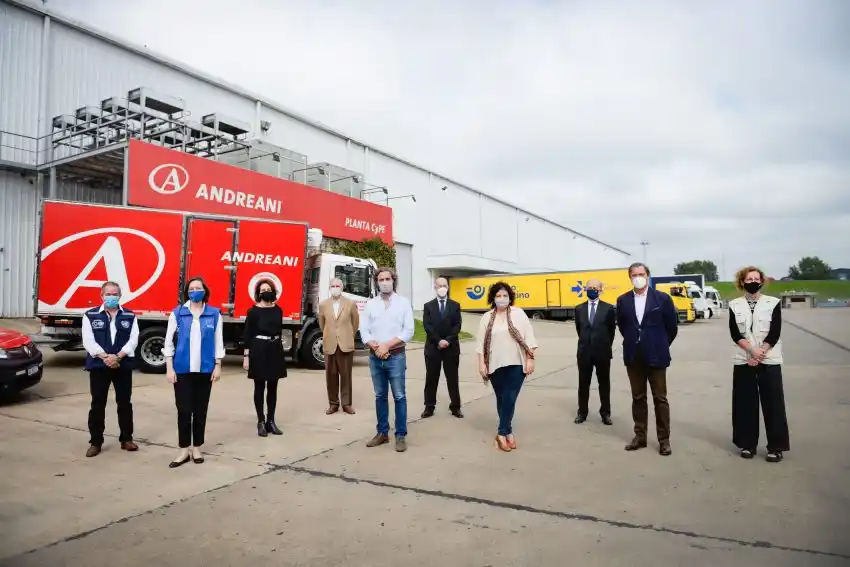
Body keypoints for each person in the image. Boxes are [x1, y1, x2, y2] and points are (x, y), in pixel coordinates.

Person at [728, 266, 790, 462]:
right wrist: (750, 351)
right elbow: (735, 333)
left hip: (769, 359)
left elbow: (775, 331)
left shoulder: (773, 303)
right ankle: (747, 444)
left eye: (757, 278)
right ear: (742, 282)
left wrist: (760, 352)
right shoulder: (734, 305)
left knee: (773, 404)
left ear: (762, 281)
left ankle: (776, 447)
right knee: (745, 404)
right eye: (749, 278)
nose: (753, 281)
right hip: (744, 360)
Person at [616, 262, 678, 456]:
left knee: (660, 398)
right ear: (630, 277)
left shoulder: (662, 299)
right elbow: (623, 327)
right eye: (634, 275)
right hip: (634, 356)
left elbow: (672, 327)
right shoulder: (623, 300)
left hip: (657, 356)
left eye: (641, 274)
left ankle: (664, 440)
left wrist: (659, 344)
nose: (638, 277)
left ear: (648, 275)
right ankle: (640, 436)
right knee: (638, 398)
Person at [163, 277, 225, 468]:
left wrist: (218, 365)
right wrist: (169, 367)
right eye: (192, 288)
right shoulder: (178, 313)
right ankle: (183, 450)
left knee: (200, 410)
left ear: (205, 291)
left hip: (205, 370)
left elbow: (218, 341)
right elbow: (168, 342)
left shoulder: (214, 314)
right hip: (182, 370)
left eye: (199, 288)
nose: (195, 291)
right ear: (187, 292)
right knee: (184, 410)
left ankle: (196, 447)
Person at [476, 281, 538, 452]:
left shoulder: (519, 314)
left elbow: (529, 338)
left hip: (516, 363)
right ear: (493, 298)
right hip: (494, 364)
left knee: (510, 397)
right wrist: (481, 364)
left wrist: (530, 359)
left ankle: (501, 433)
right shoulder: (487, 317)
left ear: (510, 297)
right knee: (502, 399)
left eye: (505, 295)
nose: (501, 298)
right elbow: (480, 344)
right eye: (498, 296)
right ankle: (509, 432)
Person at [80, 281, 140, 457]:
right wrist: (105, 357)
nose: (111, 297)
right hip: (99, 365)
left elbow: (134, 339)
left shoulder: (129, 315)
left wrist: (118, 356)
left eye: (114, 294)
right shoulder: (90, 315)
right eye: (108, 294)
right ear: (101, 295)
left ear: (120, 296)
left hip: (122, 365)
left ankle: (126, 439)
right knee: (98, 404)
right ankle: (95, 442)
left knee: (124, 403)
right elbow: (88, 341)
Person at [359, 267, 415, 452]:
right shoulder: (371, 304)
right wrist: (375, 346)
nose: (384, 282)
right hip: (376, 357)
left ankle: (400, 435)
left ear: (393, 280)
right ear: (377, 282)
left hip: (396, 356)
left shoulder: (403, 303)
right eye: (381, 279)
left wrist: (387, 345)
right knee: (380, 396)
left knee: (399, 396)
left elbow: (408, 331)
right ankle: (382, 433)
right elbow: (364, 329)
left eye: (387, 279)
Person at [242, 279, 286, 437]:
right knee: (259, 387)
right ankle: (260, 421)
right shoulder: (253, 311)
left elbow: (279, 331)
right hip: (258, 349)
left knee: (273, 387)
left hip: (274, 349)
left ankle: (271, 421)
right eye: (263, 289)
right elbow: (248, 334)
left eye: (268, 289)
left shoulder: (278, 310)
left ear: (273, 291)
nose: (266, 291)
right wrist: (246, 356)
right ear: (258, 293)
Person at [574, 278, 616, 425]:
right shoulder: (579, 308)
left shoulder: (608, 308)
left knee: (604, 384)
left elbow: (611, 330)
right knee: (583, 384)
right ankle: (582, 413)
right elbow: (579, 329)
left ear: (600, 290)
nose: (592, 289)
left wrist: (604, 345)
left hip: (602, 352)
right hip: (584, 352)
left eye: (595, 287)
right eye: (589, 287)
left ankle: (605, 413)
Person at [422, 277, 463, 419]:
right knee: (431, 378)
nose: (442, 287)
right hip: (433, 348)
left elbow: (457, 326)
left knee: (452, 379)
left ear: (448, 287)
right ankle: (429, 406)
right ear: (435, 287)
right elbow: (427, 326)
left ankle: (455, 407)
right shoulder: (428, 306)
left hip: (451, 349)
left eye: (444, 285)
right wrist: (438, 341)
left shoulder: (455, 305)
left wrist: (448, 340)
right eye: (439, 285)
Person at [318, 278, 360, 415]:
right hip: (330, 344)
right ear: (329, 288)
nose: (335, 288)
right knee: (331, 375)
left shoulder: (350, 303)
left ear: (342, 287)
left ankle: (346, 404)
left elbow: (355, 323)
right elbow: (322, 324)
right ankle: (333, 404)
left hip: (345, 345)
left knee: (346, 375)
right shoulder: (323, 305)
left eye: (337, 285)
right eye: (332, 286)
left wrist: (348, 336)